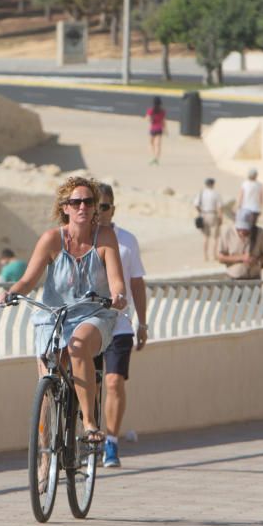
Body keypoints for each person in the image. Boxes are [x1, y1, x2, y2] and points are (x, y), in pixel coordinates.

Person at [0, 176, 127, 445]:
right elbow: (28, 280)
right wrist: (10, 293)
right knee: (47, 381)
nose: (82, 207)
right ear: (64, 207)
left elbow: (117, 281)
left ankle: (89, 423)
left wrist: (118, 296)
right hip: (56, 316)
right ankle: (44, 457)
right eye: (75, 202)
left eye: (88, 202)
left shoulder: (106, 238)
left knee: (77, 346)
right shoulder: (51, 240)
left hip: (94, 314)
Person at [97, 184, 148, 469]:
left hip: (120, 324)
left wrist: (143, 322)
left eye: (105, 207)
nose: (99, 212)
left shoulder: (127, 241)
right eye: (96, 206)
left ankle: (111, 442)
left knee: (114, 381)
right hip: (88, 323)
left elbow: (137, 283)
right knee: (89, 384)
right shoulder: (82, 239)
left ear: (113, 209)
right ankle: (89, 433)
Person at [218, 211, 263, 280]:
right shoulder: (227, 233)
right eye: (240, 228)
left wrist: (256, 261)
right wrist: (241, 258)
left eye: (246, 229)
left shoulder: (261, 234)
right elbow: (221, 258)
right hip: (233, 278)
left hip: (254, 278)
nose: (242, 231)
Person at [194, 178, 223, 262]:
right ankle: (214, 255)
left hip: (204, 214)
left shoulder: (201, 193)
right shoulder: (216, 194)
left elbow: (196, 204)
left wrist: (200, 211)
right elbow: (220, 207)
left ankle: (205, 256)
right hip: (213, 214)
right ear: (213, 184)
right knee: (215, 237)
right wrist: (221, 217)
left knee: (206, 237)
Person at [146, 96, 166, 165]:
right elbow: (163, 121)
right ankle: (157, 158)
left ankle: (154, 156)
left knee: (151, 143)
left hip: (153, 128)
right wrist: (165, 129)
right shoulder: (162, 111)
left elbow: (148, 119)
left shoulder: (151, 110)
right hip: (159, 129)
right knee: (158, 144)